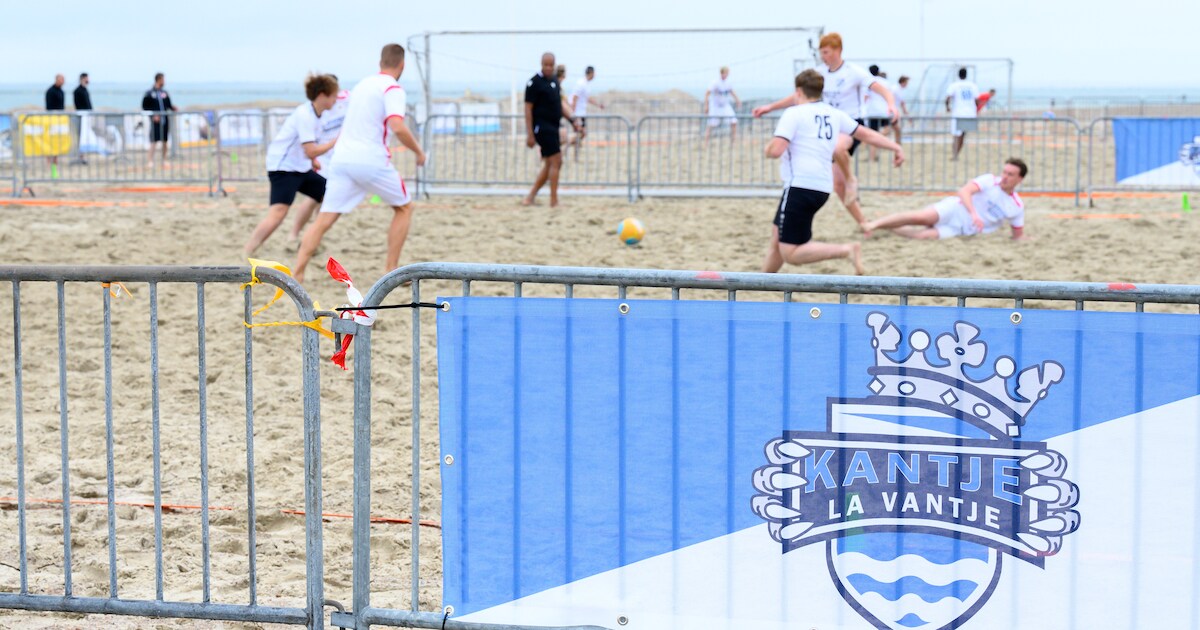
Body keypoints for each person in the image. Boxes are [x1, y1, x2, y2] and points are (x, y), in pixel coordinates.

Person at [293, 44, 427, 282]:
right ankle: (390, 271)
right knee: (404, 208)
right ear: (402, 65)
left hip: (342, 158)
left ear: (379, 63)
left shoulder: (363, 84)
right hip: (370, 159)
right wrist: (418, 151)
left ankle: (298, 272)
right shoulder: (393, 88)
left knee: (324, 219)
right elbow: (397, 125)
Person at [753, 33, 899, 234]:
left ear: (837, 50)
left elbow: (882, 89)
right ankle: (864, 222)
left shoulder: (853, 72)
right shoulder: (820, 73)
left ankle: (852, 180)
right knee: (837, 185)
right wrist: (770, 107)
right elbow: (797, 96)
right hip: (826, 126)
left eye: (826, 52)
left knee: (839, 147)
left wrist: (891, 105)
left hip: (848, 125)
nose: (823, 56)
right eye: (821, 52)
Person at [762, 70, 904, 276]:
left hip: (799, 186)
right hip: (822, 188)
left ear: (798, 91)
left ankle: (846, 250)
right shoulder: (833, 113)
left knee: (790, 253)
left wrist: (767, 149)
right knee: (777, 239)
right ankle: (762, 283)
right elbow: (865, 134)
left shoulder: (794, 113)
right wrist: (896, 147)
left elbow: (775, 150)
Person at [243, 74, 340, 258]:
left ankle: (310, 241)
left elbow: (305, 149)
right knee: (278, 213)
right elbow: (310, 149)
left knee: (329, 194)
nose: (336, 99)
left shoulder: (317, 115)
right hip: (283, 168)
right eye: (334, 95)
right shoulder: (305, 115)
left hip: (300, 168)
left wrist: (312, 161)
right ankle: (247, 251)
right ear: (322, 95)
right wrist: (335, 142)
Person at [861, 158, 1027, 240]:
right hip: (955, 209)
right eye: (1004, 172)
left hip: (963, 229)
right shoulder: (990, 180)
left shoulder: (1016, 206)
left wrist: (1024, 239)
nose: (1004, 176)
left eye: (1010, 174)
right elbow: (964, 191)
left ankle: (886, 226)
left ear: (1019, 179)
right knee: (922, 218)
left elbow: (1017, 235)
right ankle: (873, 224)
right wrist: (974, 213)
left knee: (922, 237)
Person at [522, 52, 580, 208]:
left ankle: (530, 197)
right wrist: (530, 134)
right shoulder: (534, 83)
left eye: (550, 65)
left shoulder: (554, 81)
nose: (548, 68)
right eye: (545, 65)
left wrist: (573, 120)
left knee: (550, 164)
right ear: (541, 64)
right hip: (542, 127)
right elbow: (528, 109)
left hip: (554, 127)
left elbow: (559, 106)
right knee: (557, 160)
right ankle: (554, 201)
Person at [568, 65, 605, 159]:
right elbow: (574, 98)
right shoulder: (581, 83)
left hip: (581, 113)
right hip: (578, 114)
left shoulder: (586, 84)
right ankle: (567, 146)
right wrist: (573, 113)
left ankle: (573, 152)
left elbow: (587, 98)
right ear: (591, 73)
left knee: (581, 134)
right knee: (581, 133)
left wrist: (598, 105)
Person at [142, 73, 177, 168]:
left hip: (165, 120)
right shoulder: (149, 93)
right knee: (153, 141)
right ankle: (150, 161)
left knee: (165, 141)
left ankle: (164, 160)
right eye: (163, 79)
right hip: (155, 121)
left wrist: (174, 108)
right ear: (158, 80)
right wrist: (153, 116)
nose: (164, 81)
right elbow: (145, 107)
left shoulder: (164, 93)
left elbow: (169, 105)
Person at [945, 68, 980, 160]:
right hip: (970, 113)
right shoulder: (972, 85)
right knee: (962, 134)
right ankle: (956, 154)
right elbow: (977, 100)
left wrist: (947, 107)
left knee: (957, 135)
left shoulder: (955, 85)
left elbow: (948, 97)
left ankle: (955, 154)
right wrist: (976, 109)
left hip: (958, 113)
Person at [704, 66, 740, 145]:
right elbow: (707, 93)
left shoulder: (727, 83)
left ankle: (733, 142)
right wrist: (706, 106)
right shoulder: (715, 83)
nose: (726, 75)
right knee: (711, 125)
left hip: (725, 106)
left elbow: (732, 92)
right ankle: (706, 143)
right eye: (725, 73)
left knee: (733, 122)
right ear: (722, 73)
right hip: (715, 106)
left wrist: (737, 100)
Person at [863, 66, 893, 162]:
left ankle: (872, 158)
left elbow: (865, 97)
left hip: (873, 112)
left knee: (874, 135)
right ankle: (873, 154)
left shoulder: (868, 82)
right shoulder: (885, 82)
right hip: (884, 111)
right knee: (887, 130)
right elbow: (890, 95)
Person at [44, 74, 65, 166]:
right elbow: (48, 106)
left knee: (57, 139)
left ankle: (55, 158)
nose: (63, 81)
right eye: (61, 79)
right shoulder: (50, 91)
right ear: (57, 80)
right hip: (51, 118)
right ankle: (48, 159)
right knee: (49, 139)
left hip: (59, 118)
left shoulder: (61, 91)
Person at [73, 73, 93, 165]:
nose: (88, 80)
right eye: (87, 79)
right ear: (82, 79)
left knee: (85, 136)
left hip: (87, 116)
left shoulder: (85, 90)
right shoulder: (77, 91)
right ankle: (80, 156)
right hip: (81, 116)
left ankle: (82, 156)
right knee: (81, 136)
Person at [892, 75, 910, 146]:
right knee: (894, 130)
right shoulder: (897, 89)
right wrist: (906, 114)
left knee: (897, 130)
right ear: (903, 82)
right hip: (892, 112)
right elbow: (902, 103)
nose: (907, 84)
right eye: (906, 82)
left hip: (892, 112)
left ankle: (898, 146)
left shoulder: (895, 88)